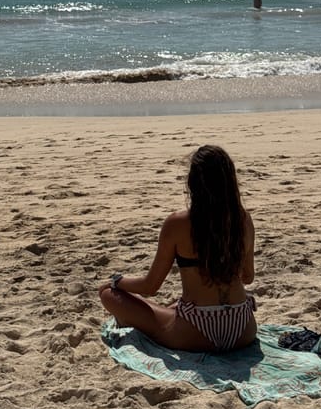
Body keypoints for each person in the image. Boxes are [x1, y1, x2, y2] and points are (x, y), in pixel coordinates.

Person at [99, 145, 256, 352]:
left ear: (193, 183)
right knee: (173, 307)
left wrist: (117, 281)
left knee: (107, 294)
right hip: (242, 327)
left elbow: (149, 287)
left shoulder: (178, 223)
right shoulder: (243, 220)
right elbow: (248, 277)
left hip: (195, 330)